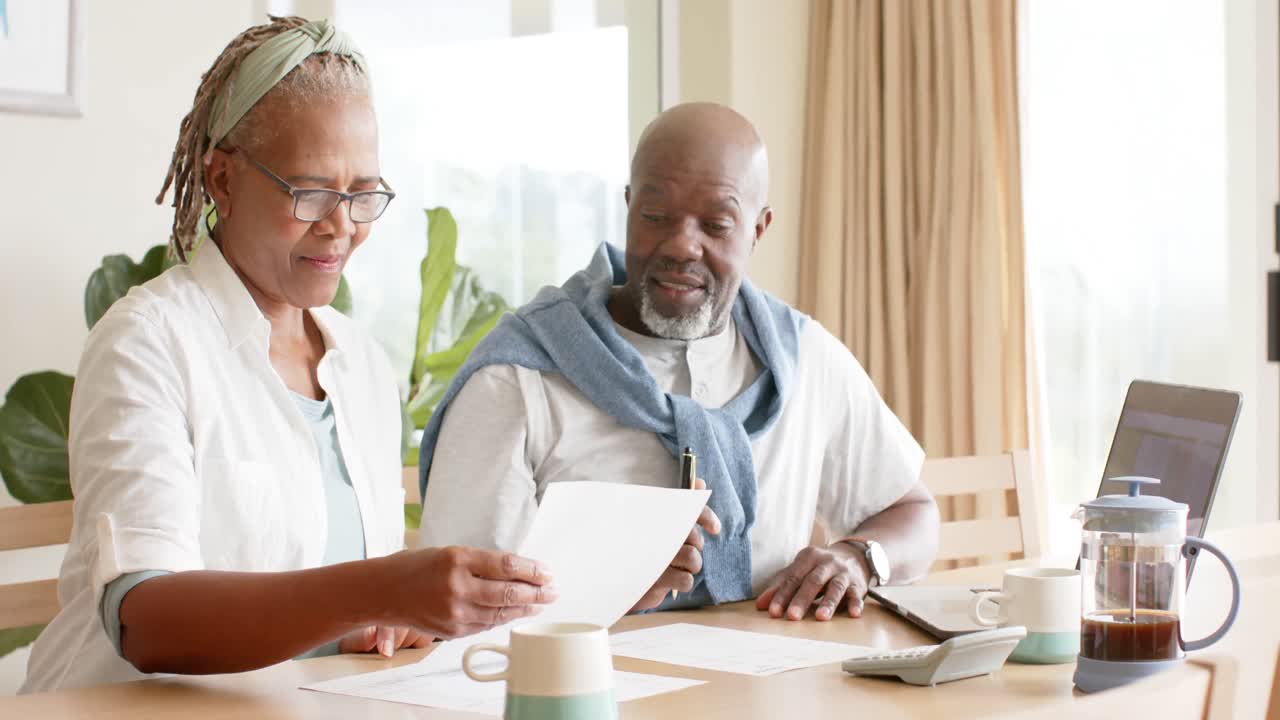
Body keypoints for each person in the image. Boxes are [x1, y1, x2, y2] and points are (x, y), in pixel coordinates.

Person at [22, 16, 553, 694]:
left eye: (363, 195)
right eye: (311, 193)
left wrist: (384, 620)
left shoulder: (359, 363)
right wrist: (380, 587)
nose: (342, 228)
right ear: (221, 179)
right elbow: (146, 620)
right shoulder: (147, 343)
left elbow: (340, 610)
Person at [418, 103, 940, 621]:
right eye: (655, 216)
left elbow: (911, 513)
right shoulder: (517, 378)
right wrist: (603, 582)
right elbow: (452, 599)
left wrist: (861, 557)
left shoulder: (806, 361)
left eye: (716, 224)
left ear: (758, 229)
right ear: (626, 207)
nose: (682, 245)